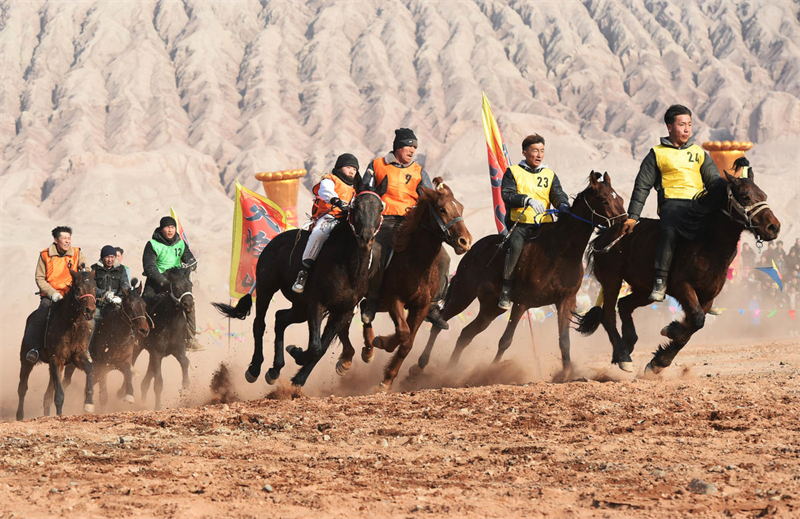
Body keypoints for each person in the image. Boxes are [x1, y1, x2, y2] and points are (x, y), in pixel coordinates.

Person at [621, 104, 723, 301]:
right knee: (669, 232)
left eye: (690, 125)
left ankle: (708, 289)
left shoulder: (699, 153)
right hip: (672, 205)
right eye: (682, 124)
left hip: (698, 206)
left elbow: (715, 184)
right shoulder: (657, 154)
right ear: (669, 127)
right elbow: (642, 186)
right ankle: (660, 280)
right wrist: (633, 217)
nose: (687, 129)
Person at [361, 127, 450, 329]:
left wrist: (441, 196)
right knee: (375, 254)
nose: (412, 150)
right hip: (385, 223)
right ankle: (372, 301)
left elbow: (429, 197)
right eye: (409, 146)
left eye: (415, 147)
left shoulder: (419, 171)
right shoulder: (377, 165)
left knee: (444, 259)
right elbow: (366, 191)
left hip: (411, 224)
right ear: (398, 147)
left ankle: (434, 305)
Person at [498, 134, 570, 310]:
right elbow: (507, 194)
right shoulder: (513, 172)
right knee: (515, 247)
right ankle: (506, 288)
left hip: (545, 224)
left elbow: (557, 194)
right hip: (521, 224)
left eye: (542, 151)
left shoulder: (550, 174)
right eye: (535, 151)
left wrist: (563, 205)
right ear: (524, 152)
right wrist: (527, 200)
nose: (539, 155)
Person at [293, 153, 360, 293]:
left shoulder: (356, 187)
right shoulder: (330, 179)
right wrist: (336, 201)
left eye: (355, 168)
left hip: (348, 220)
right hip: (329, 217)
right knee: (319, 234)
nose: (352, 171)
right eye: (349, 167)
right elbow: (325, 191)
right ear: (339, 167)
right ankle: (303, 272)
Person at [24, 226, 88, 363]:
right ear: (56, 240)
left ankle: (85, 350)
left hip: (72, 297)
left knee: (90, 320)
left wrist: (84, 272)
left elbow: (86, 271)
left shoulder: (77, 253)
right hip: (51, 296)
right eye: (64, 238)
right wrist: (52, 293)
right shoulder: (45, 255)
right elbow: (39, 278)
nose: (67, 241)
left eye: (69, 238)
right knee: (41, 315)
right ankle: (35, 349)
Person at [142, 216, 199, 350]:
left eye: (172, 227)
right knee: (143, 303)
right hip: (157, 282)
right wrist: (164, 282)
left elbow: (189, 258)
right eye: (167, 227)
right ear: (161, 229)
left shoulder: (181, 243)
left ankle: (191, 339)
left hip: (177, 282)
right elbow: (149, 267)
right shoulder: (152, 244)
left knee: (189, 302)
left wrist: (191, 264)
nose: (170, 230)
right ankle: (138, 336)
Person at [89, 245, 131, 346]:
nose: (110, 260)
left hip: (115, 305)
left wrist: (119, 297)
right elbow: (92, 286)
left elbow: (125, 284)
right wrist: (104, 294)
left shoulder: (121, 269)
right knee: (92, 324)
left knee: (128, 321)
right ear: (102, 257)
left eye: (112, 257)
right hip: (99, 305)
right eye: (107, 257)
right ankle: (88, 348)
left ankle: (128, 346)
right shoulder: (94, 269)